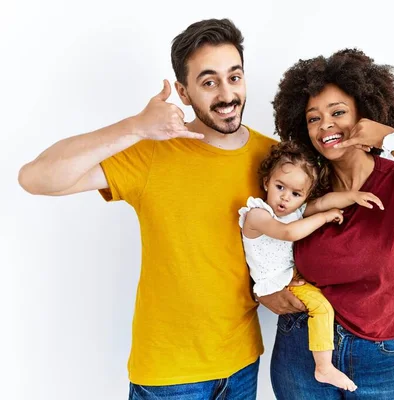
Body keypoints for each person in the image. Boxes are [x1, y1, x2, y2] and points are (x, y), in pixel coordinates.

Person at [17, 18, 293, 400]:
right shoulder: (153, 152)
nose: (228, 94)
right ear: (182, 90)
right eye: (209, 82)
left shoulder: (273, 159)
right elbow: (36, 178)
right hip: (169, 375)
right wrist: (135, 127)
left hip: (243, 362)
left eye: (235, 77)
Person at [266, 49, 394, 399]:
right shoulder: (301, 187)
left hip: (378, 357)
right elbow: (258, 237)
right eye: (313, 118)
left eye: (338, 113)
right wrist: (264, 291)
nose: (325, 126)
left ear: (366, 114)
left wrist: (390, 139)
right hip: (301, 349)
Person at [239, 140, 385, 392]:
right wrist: (324, 217)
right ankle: (324, 367)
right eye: (280, 187)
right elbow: (288, 233)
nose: (285, 197)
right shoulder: (257, 214)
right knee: (321, 308)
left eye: (296, 194)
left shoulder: (295, 210)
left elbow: (324, 201)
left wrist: (353, 196)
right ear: (266, 182)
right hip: (271, 284)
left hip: (289, 278)